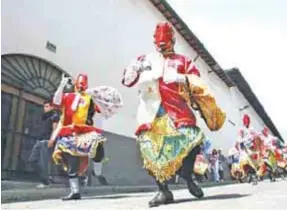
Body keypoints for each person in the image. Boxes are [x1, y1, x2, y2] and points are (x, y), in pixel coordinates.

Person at [122, 21, 225, 207]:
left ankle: (187, 176)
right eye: (159, 44)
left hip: (178, 112)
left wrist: (180, 78)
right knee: (150, 152)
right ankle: (163, 191)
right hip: (151, 114)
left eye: (166, 43)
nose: (162, 47)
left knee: (193, 141)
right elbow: (128, 81)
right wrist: (132, 70)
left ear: (173, 41)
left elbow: (198, 83)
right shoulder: (145, 60)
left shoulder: (183, 61)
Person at [50, 73, 107, 200]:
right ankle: (75, 191)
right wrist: (62, 85)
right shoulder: (68, 96)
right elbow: (56, 101)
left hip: (85, 130)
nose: (81, 86)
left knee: (98, 147)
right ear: (75, 84)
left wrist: (100, 97)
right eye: (80, 83)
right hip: (69, 132)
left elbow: (101, 111)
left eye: (84, 83)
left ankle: (97, 170)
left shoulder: (90, 98)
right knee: (72, 162)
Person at [28, 100, 60, 188]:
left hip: (46, 141)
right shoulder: (44, 116)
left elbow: (55, 129)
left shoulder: (54, 116)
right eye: (44, 106)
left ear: (51, 107)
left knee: (44, 162)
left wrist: (52, 140)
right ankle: (46, 178)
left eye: (46, 106)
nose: (44, 108)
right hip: (39, 140)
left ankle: (45, 182)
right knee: (32, 160)